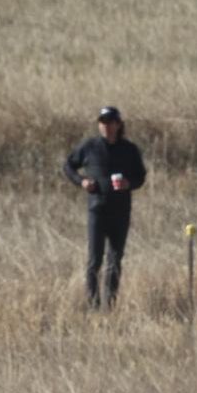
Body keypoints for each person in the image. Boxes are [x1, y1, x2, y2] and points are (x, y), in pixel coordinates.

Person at [63, 105, 146, 309]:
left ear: (118, 125)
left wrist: (129, 184)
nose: (106, 126)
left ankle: (109, 304)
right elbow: (68, 166)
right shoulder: (89, 146)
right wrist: (81, 181)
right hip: (97, 210)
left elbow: (140, 176)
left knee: (115, 260)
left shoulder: (129, 149)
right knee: (94, 260)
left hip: (120, 211)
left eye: (110, 122)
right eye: (102, 122)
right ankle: (93, 304)